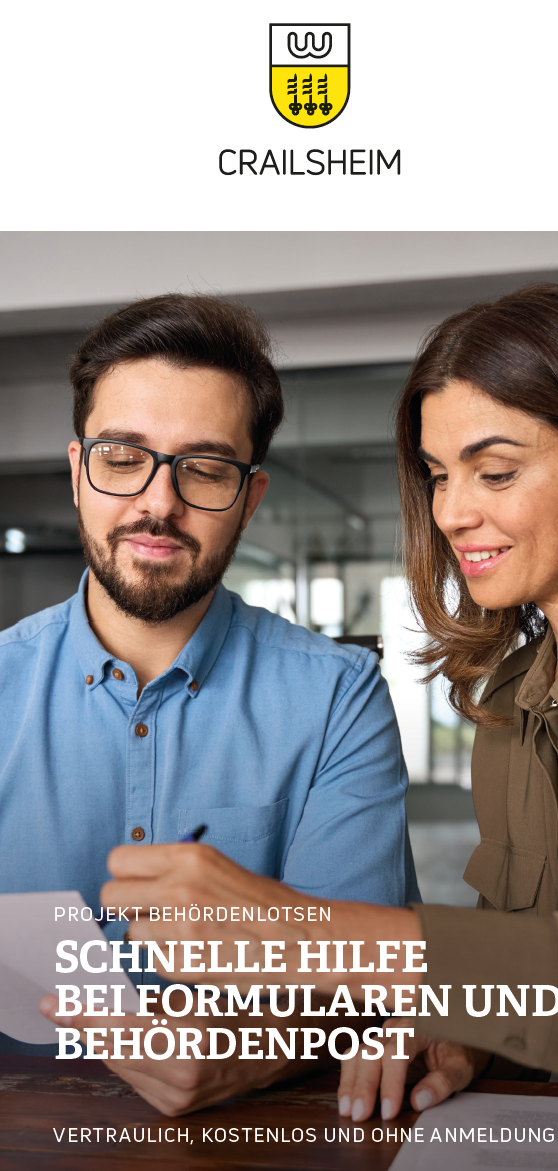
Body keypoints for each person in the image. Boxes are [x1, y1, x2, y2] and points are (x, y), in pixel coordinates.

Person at [75, 285, 558, 1112]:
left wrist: (313, 935)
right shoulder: (509, 707)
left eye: (495, 472)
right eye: (437, 476)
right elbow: (538, 975)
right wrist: (468, 1028)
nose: (450, 512)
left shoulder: (334, 693)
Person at [1, 292, 422, 1111]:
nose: (159, 502)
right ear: (78, 471)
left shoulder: (337, 697)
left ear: (250, 497)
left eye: (203, 468)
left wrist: (250, 1049)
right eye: (122, 456)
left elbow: (359, 977)